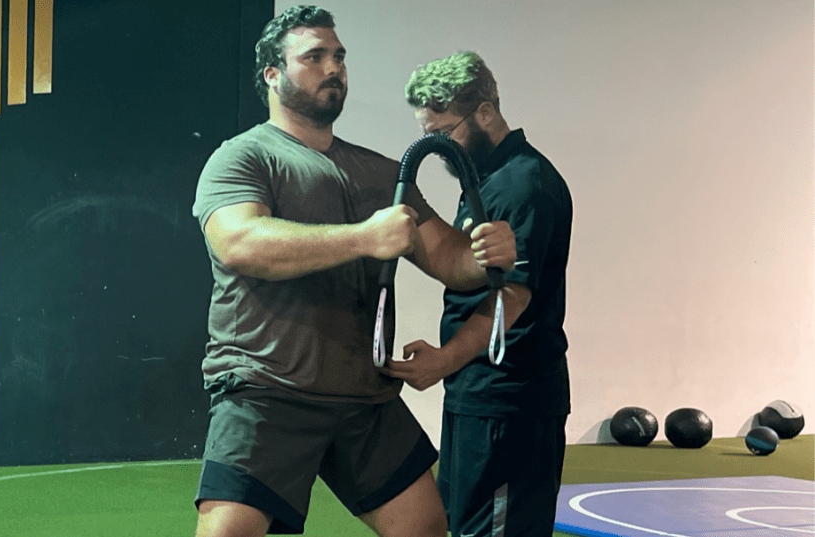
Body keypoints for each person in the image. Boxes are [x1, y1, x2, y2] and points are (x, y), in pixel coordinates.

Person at [191, 7, 517, 537]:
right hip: (268, 390)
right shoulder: (244, 157)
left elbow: (451, 263)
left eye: (339, 57)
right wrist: (364, 237)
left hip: (365, 397)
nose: (333, 68)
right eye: (314, 57)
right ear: (272, 74)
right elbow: (239, 243)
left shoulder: (383, 173)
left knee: (426, 530)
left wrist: (487, 253)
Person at [386, 51, 573, 537]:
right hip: (478, 395)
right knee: (464, 526)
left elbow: (513, 297)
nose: (439, 149)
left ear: (485, 113)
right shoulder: (486, 180)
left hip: (511, 403)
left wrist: (441, 361)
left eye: (444, 134)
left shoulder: (522, 184)